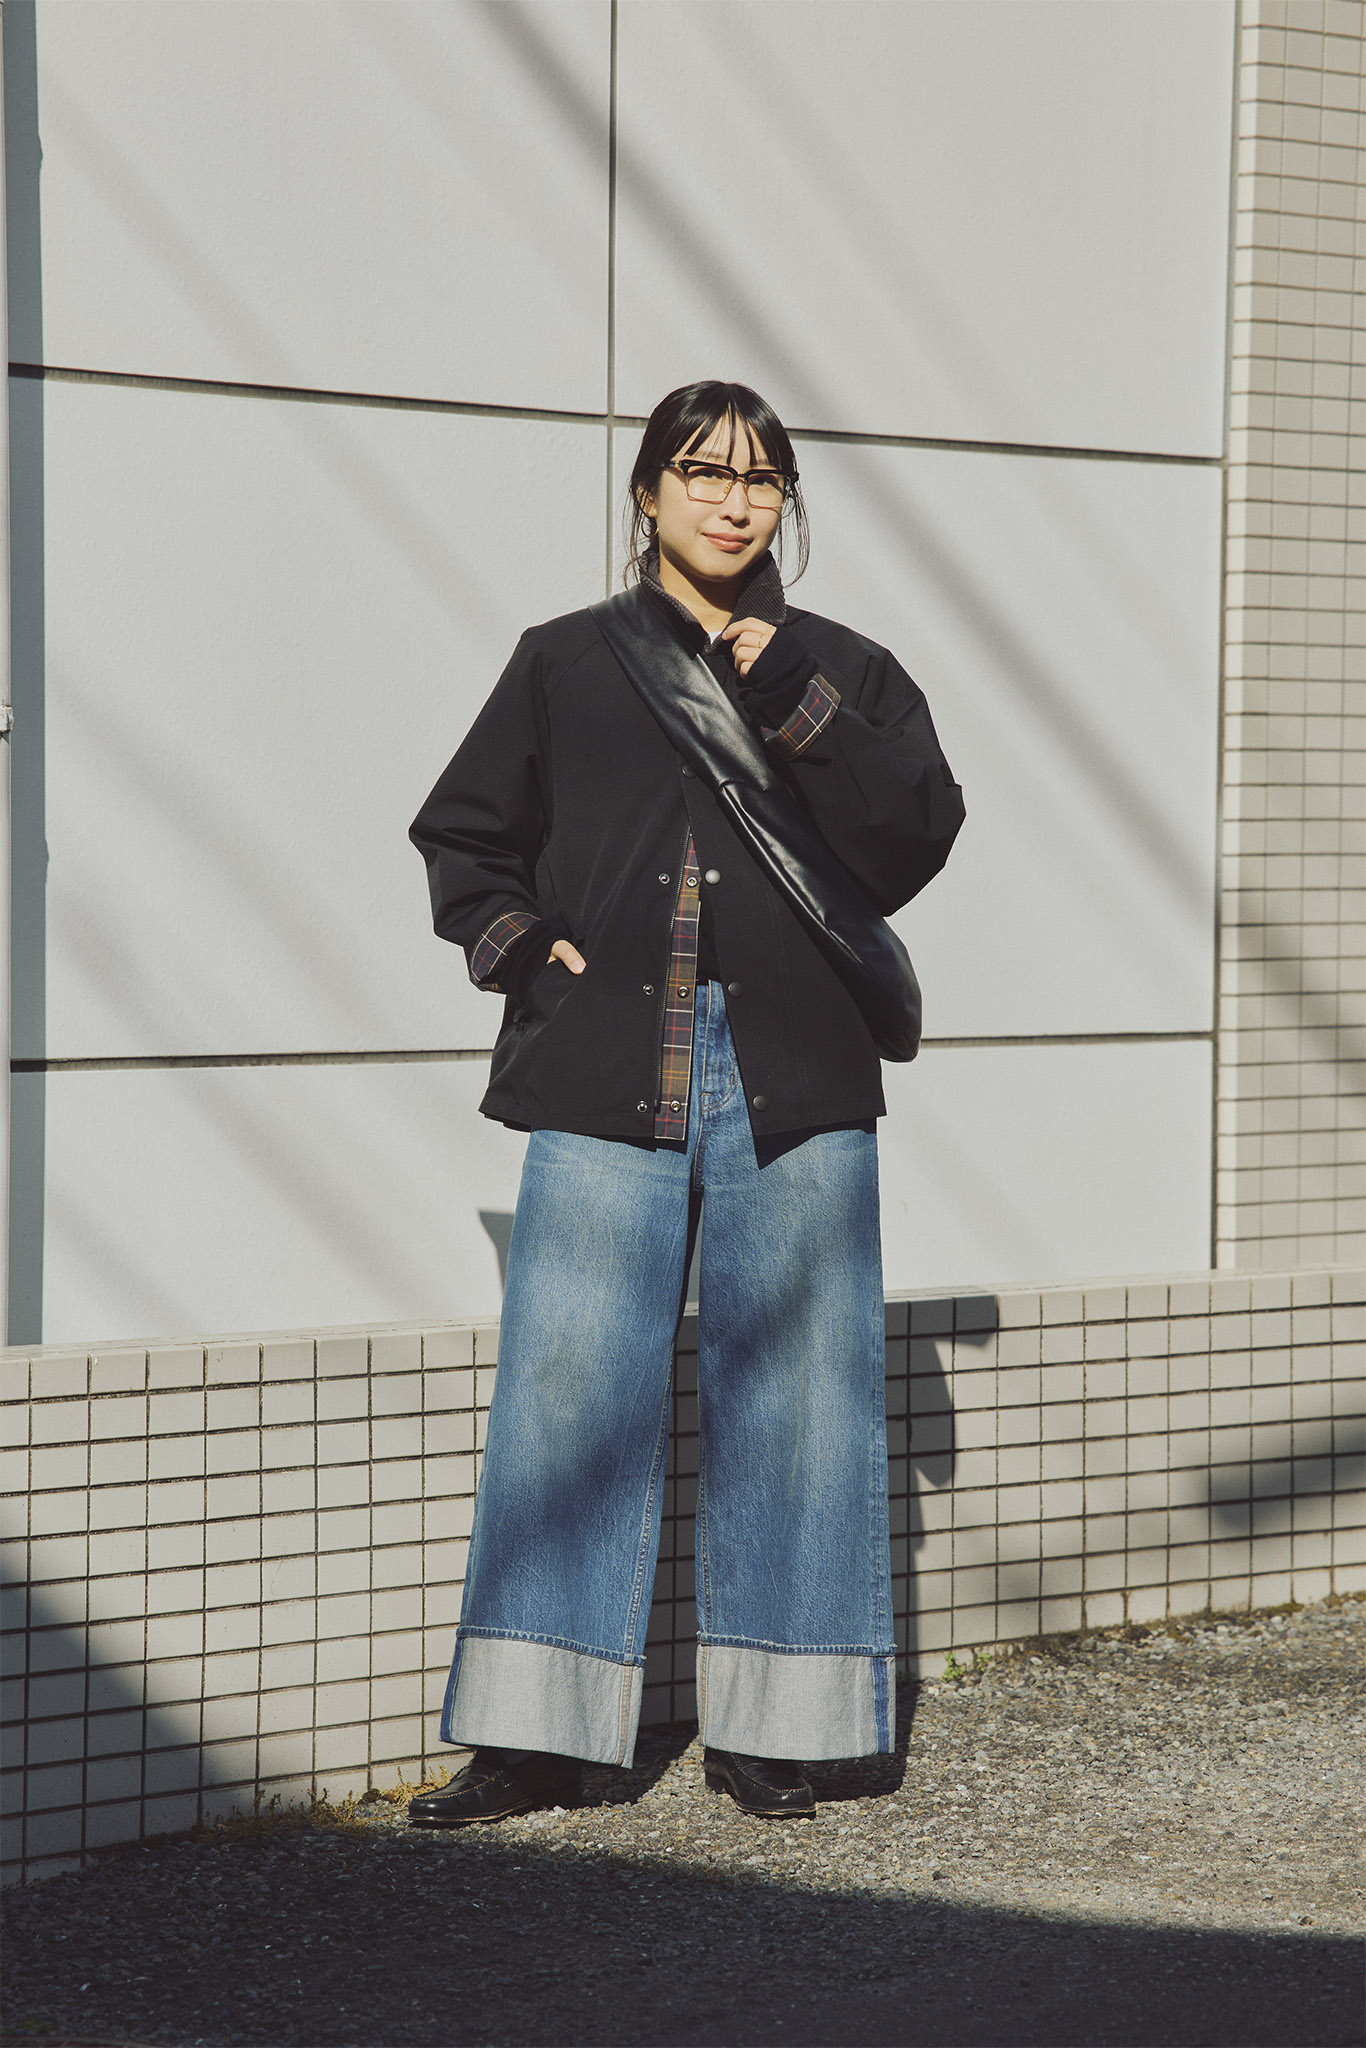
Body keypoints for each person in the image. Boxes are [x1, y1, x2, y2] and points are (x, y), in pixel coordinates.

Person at [407, 380, 964, 1824]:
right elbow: (465, 834)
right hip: (609, 1060)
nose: (732, 500)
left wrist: (793, 695)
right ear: (647, 491)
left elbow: (914, 836)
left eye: (761, 479)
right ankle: (537, 1735)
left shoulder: (844, 670)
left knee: (802, 1396)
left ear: (787, 505)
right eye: (703, 473)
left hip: (798, 1066)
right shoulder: (563, 661)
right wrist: (524, 948)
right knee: (567, 1389)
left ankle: (779, 1728)